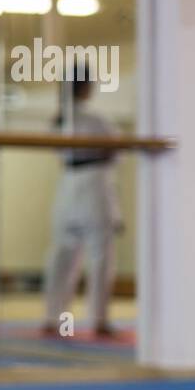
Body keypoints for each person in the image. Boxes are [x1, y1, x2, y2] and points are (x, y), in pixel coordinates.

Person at [41, 66, 123, 338]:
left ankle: (53, 317)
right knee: (99, 257)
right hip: (93, 185)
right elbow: (115, 152)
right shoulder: (95, 121)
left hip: (67, 185)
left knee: (61, 257)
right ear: (85, 87)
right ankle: (99, 320)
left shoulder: (58, 120)